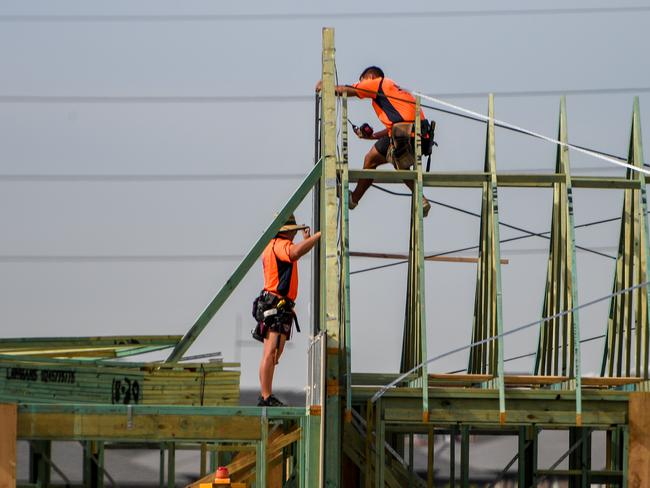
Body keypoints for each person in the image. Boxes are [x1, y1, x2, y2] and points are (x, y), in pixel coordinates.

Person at [315, 66, 432, 216]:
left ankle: (354, 198)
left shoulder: (377, 82)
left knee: (371, 158)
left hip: (406, 136)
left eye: (362, 81)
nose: (361, 84)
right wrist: (373, 136)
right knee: (395, 158)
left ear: (369, 77)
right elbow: (403, 121)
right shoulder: (395, 90)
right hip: (419, 137)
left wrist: (325, 87)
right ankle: (421, 198)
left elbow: (348, 89)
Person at [255, 214, 321, 406]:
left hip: (274, 303)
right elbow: (294, 253)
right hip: (277, 304)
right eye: (293, 230)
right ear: (286, 232)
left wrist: (307, 241)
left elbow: (294, 254)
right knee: (272, 352)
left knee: (272, 352)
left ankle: (265, 394)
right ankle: (266, 396)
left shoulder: (272, 246)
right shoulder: (280, 245)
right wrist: (318, 236)